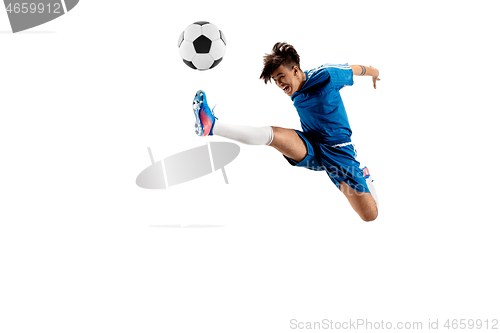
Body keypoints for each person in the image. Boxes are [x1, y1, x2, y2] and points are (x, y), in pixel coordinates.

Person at [191, 42, 380, 221]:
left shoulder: (327, 75)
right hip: (311, 146)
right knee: (274, 135)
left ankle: (363, 175)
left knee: (370, 215)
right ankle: (212, 125)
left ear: (295, 70)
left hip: (339, 151)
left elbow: (354, 70)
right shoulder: (294, 88)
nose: (279, 84)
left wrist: (374, 72)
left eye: (281, 77)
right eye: (275, 80)